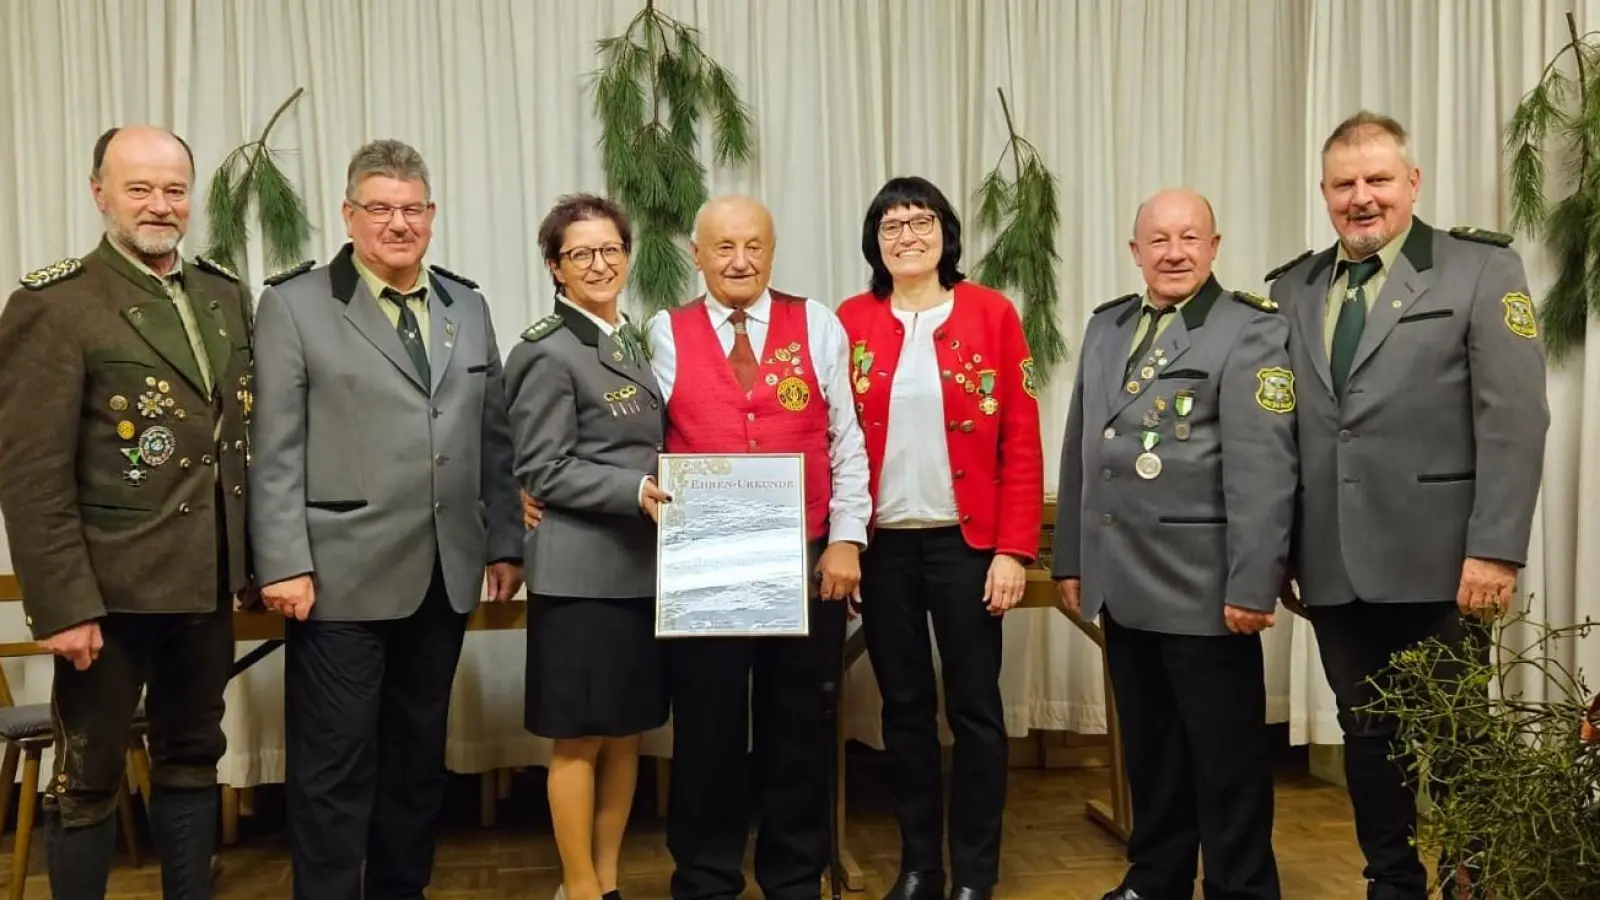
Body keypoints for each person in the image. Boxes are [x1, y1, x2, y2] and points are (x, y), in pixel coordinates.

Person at [524, 193, 871, 900]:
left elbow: (848, 442)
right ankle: (707, 879)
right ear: (697, 254)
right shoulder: (659, 334)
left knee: (797, 728)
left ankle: (794, 875)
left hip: (805, 558)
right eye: (723, 247)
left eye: (754, 246)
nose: (739, 261)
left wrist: (846, 539)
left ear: (772, 250)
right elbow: (620, 435)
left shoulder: (821, 325)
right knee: (708, 733)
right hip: (704, 560)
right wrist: (529, 487)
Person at [1267, 111, 1549, 900]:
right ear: (1324, 192)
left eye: (1378, 180)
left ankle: (1471, 883)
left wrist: (1496, 548)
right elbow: (1281, 433)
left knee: (1457, 739)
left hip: (1443, 561)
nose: (1362, 198)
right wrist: (1282, 550)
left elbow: (1515, 417)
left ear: (1412, 184)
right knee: (1367, 736)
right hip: (1332, 563)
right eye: (1345, 184)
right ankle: (1390, 882)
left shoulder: (1478, 270)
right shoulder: (1291, 288)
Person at [247, 138, 524, 900]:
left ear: (431, 216)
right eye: (380, 209)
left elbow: (491, 437)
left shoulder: (465, 304)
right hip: (337, 577)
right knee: (334, 769)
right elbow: (274, 445)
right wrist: (282, 561)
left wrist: (504, 540)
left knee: (413, 765)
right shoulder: (295, 305)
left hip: (444, 573)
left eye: (411, 209)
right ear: (349, 215)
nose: (397, 224)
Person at [0, 125, 253, 899]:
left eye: (174, 189)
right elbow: (30, 472)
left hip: (204, 580)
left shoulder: (221, 294)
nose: (160, 204)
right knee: (88, 778)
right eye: (139, 188)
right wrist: (63, 606)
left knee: (192, 755)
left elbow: (237, 441)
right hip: (104, 594)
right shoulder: (57, 302)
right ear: (99, 192)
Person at [1053, 189, 1295, 900]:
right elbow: (1080, 449)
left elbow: (1264, 468)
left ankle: (1241, 887)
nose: (1174, 251)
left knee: (1226, 759)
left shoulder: (1247, 329)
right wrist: (1071, 558)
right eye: (1158, 240)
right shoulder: (1107, 328)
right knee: (1152, 751)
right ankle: (1155, 876)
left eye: (1190, 237)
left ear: (1215, 246)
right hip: (1122, 582)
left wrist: (1254, 583)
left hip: (1204, 586)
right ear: (1135, 252)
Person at [834, 176, 1043, 900]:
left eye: (920, 221)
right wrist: (845, 540)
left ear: (946, 232)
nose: (907, 236)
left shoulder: (990, 313)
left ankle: (974, 875)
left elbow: (1020, 438)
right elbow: (831, 439)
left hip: (967, 545)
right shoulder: (851, 320)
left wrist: (1014, 550)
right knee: (904, 711)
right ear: (875, 243)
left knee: (976, 711)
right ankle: (920, 865)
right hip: (884, 547)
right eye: (890, 226)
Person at [504, 193, 670, 900]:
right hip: (578, 576)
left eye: (611, 251)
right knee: (577, 740)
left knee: (626, 735)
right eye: (581, 254)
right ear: (555, 267)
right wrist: (634, 491)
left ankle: (605, 882)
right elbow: (542, 469)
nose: (600, 264)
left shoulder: (631, 340)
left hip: (639, 571)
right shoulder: (545, 350)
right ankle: (576, 886)